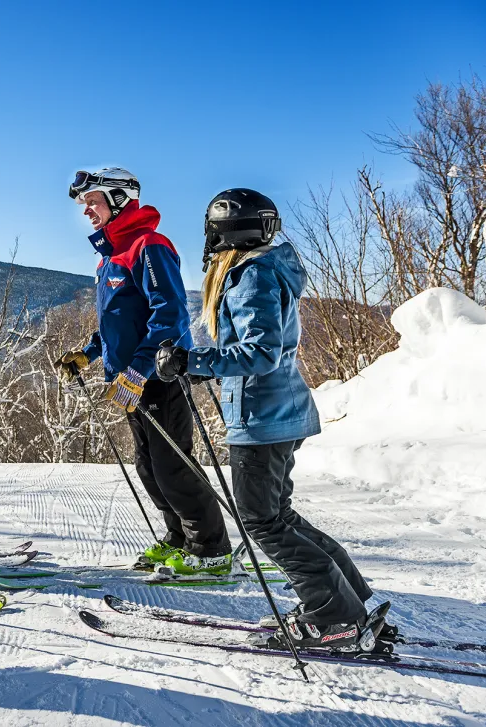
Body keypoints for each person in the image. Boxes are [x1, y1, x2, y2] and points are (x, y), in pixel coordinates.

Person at [155, 188, 377, 650]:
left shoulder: (251, 274)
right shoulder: (262, 267)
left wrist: (193, 362)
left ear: (226, 231)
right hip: (277, 409)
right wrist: (203, 366)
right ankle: (352, 603)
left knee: (262, 522)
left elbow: (259, 353)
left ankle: (335, 616)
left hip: (263, 415)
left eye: (212, 229)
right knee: (279, 516)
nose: (208, 238)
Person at [55, 167, 232, 575]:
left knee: (173, 466)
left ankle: (212, 549)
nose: (87, 211)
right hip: (128, 382)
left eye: (93, 202)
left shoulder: (149, 246)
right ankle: (178, 537)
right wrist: (87, 354)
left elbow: (169, 315)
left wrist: (138, 370)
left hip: (158, 377)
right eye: (85, 205)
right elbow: (118, 322)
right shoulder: (109, 259)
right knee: (149, 467)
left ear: (119, 200)